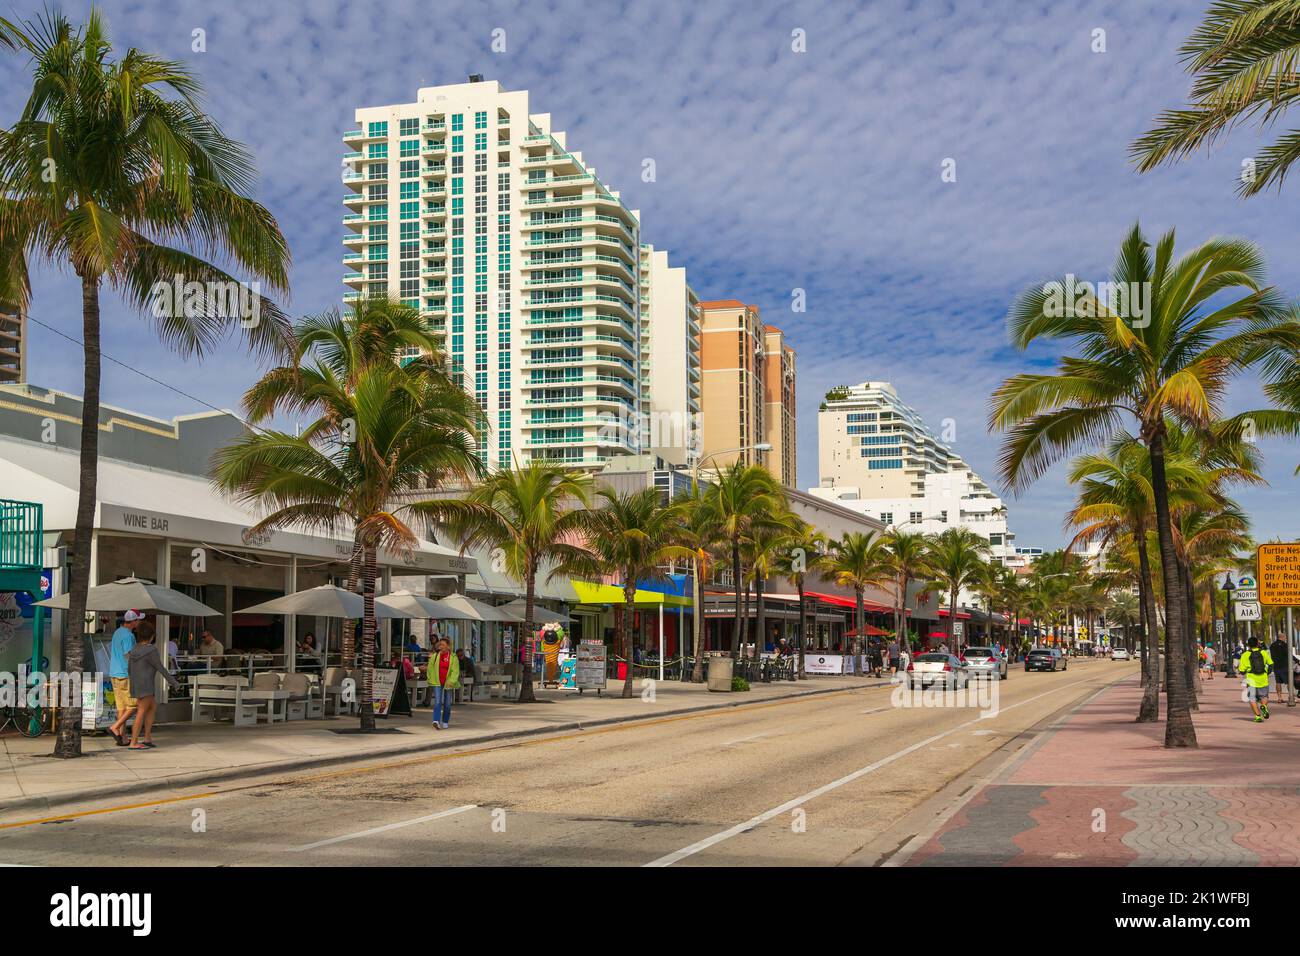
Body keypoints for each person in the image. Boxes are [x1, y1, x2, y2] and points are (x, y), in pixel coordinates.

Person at [127, 622, 181, 749]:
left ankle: (147, 737)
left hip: (137, 684)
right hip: (146, 685)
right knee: (141, 711)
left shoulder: (134, 649)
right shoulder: (151, 650)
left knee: (152, 707)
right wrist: (174, 683)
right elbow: (160, 668)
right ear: (151, 636)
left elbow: (129, 669)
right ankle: (134, 742)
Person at [106, 610, 145, 747]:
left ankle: (122, 738)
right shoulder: (129, 636)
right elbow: (129, 655)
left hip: (114, 673)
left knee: (121, 707)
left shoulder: (117, 632)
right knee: (133, 705)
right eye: (138, 620)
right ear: (133, 621)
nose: (139, 622)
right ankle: (115, 727)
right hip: (125, 674)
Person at [1238, 636, 1274, 723]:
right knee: (1264, 696)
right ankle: (1264, 707)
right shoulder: (1263, 652)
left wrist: (1244, 672)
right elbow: (1271, 664)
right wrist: (1267, 672)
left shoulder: (1245, 655)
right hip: (1263, 679)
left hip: (1251, 680)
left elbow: (1241, 670)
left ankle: (1257, 716)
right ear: (1258, 644)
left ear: (1248, 645)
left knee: (1252, 698)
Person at [427, 638, 460, 730]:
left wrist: (452, 681)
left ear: (448, 647)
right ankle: (436, 721)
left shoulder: (453, 657)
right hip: (437, 682)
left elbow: (455, 671)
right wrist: (430, 678)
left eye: (443, 645)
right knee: (437, 701)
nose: (441, 647)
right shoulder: (435, 656)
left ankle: (445, 721)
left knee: (447, 703)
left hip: (448, 683)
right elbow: (430, 668)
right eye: (440, 645)